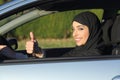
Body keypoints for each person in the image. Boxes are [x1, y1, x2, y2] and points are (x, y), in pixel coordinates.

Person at [25, 11, 107, 58]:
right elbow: (66, 55)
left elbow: (64, 61)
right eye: (73, 29)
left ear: (93, 30)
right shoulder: (83, 49)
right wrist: (40, 52)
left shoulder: (94, 56)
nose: (74, 34)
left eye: (80, 29)